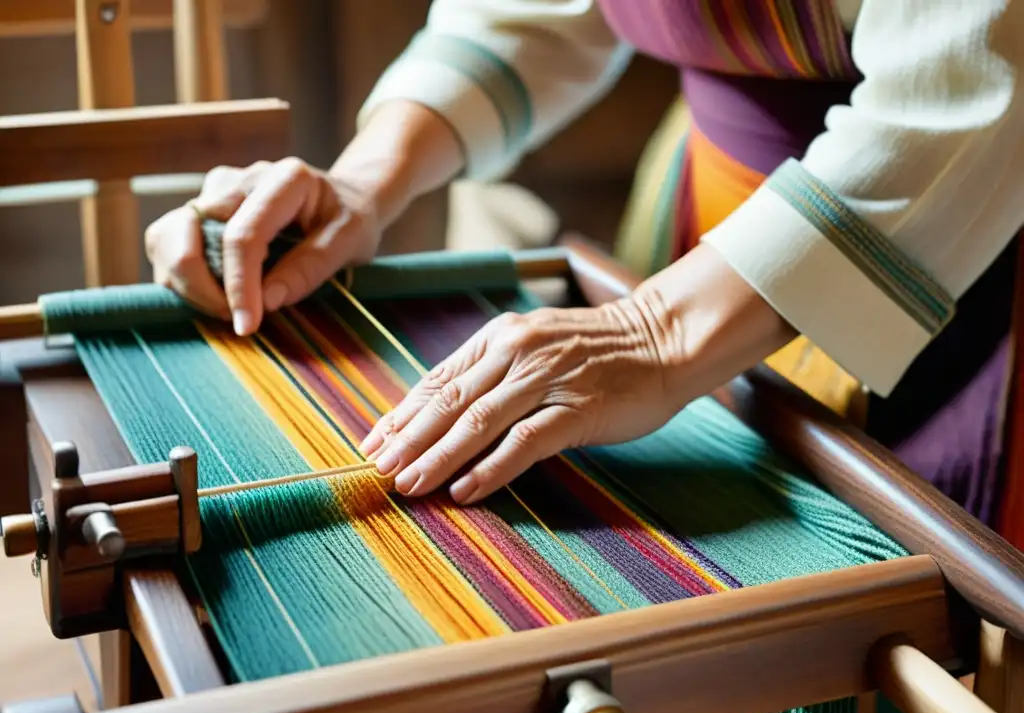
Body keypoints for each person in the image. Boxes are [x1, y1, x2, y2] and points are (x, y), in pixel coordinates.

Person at [146, 0, 1024, 542]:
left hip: (964, 245)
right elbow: (525, 12)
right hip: (714, 216)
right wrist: (361, 183)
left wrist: (656, 331)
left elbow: (970, 88)